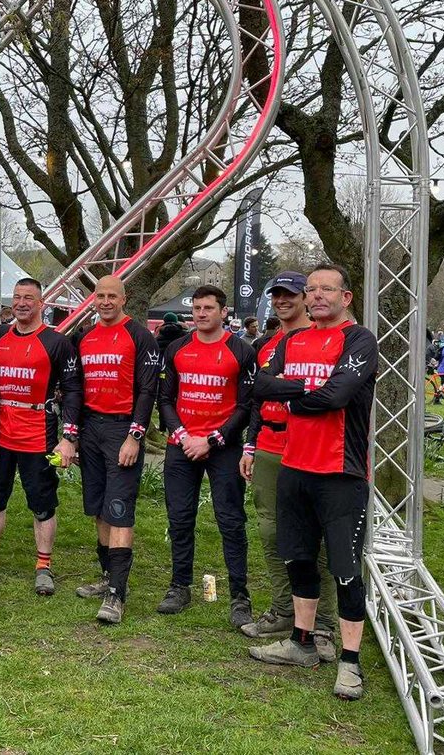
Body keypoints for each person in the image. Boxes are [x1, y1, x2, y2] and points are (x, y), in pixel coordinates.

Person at [247, 264, 378, 701]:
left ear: (347, 297)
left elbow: (338, 395)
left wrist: (294, 392)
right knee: (298, 559)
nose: (317, 295)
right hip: (295, 467)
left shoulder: (359, 339)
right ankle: (301, 643)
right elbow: (260, 386)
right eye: (312, 289)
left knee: (344, 569)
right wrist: (311, 389)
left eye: (327, 289)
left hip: (340, 473)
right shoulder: (292, 339)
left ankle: (350, 663)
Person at [0, 277, 81, 595]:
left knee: (42, 504)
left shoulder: (57, 342)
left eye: (29, 298)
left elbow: (73, 390)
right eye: (16, 297)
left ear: (42, 304)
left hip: (38, 435)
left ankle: (43, 566)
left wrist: (68, 437)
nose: (22, 303)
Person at [238, 274, 337, 659]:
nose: (281, 301)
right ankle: (283, 610)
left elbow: (326, 392)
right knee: (270, 532)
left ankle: (323, 624)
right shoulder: (265, 344)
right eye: (275, 295)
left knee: (317, 540)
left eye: (290, 295)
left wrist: (284, 384)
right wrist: (249, 444)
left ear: (305, 299)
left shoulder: (322, 339)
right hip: (268, 445)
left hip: (310, 445)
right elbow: (256, 397)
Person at [156, 284, 255, 627]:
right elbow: (165, 398)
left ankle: (240, 596)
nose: (201, 314)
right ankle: (179, 586)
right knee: (180, 518)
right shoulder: (176, 347)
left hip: (222, 448)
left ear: (223, 311)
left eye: (208, 308)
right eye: (196, 308)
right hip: (182, 446)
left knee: (231, 521)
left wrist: (212, 440)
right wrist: (182, 436)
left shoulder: (241, 350)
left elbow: (245, 405)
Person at [71, 275, 159, 624]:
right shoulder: (85, 337)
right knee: (99, 507)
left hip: (123, 428)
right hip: (91, 427)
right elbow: (76, 388)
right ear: (94, 299)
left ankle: (116, 594)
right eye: (100, 295)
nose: (105, 301)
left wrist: (135, 436)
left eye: (112, 296)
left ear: (123, 299)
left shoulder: (140, 336)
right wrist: (72, 433)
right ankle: (107, 576)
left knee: (119, 507)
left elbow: (148, 390)